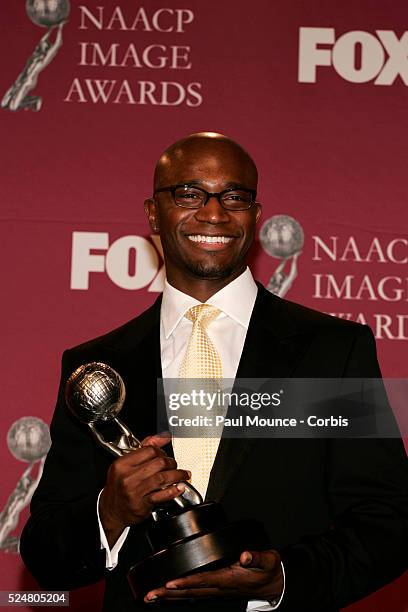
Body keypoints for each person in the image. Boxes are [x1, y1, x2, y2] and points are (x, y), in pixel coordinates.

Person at [20, 133, 408, 611]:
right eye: (189, 193)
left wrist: (281, 580)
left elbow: (389, 520)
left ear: (256, 216)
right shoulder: (97, 368)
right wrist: (111, 511)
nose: (214, 213)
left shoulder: (331, 351)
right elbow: (44, 554)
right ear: (152, 212)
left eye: (235, 196)